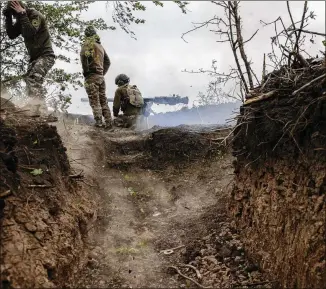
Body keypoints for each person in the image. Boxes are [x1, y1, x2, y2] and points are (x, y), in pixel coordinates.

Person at [3, 1, 56, 118]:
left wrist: (22, 14)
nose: (15, 16)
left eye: (15, 13)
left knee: (33, 78)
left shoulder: (34, 15)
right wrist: (8, 18)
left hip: (46, 55)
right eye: (13, 15)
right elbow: (11, 35)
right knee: (29, 80)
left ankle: (42, 112)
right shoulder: (21, 20)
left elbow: (30, 33)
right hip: (34, 58)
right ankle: (36, 109)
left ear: (22, 8)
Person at [80, 25, 112, 128]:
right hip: (101, 77)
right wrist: (102, 73)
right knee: (103, 99)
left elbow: (83, 56)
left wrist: (86, 71)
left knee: (94, 100)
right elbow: (108, 62)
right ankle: (109, 121)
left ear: (86, 34)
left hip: (91, 76)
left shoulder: (87, 43)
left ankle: (98, 122)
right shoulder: (100, 46)